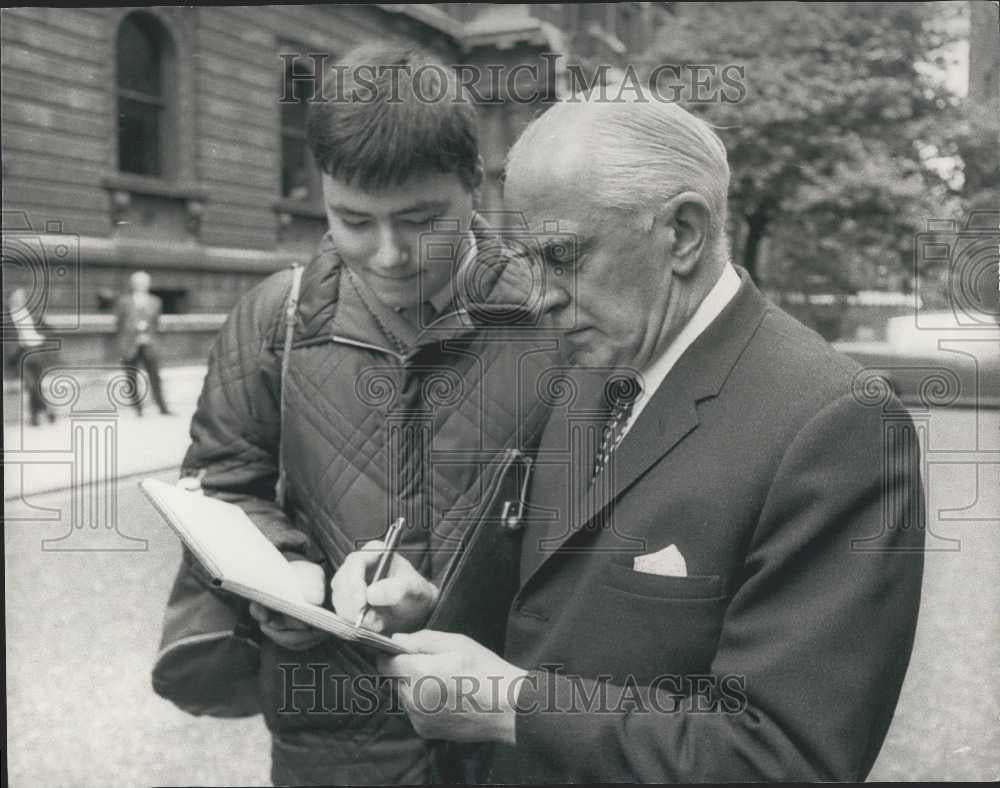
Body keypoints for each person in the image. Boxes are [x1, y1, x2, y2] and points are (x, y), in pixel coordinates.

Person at [338, 93, 927, 781]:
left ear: (683, 232)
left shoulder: (839, 425)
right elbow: (556, 615)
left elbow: (785, 757)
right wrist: (430, 612)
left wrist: (515, 709)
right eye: (528, 258)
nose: (539, 295)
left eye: (562, 255)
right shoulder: (593, 363)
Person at [156, 44, 552, 785]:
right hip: (332, 741)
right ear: (323, 191)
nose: (389, 254)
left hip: (507, 741)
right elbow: (221, 487)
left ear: (475, 183)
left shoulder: (553, 322)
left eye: (421, 220)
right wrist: (287, 572)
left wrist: (457, 608)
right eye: (353, 220)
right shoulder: (274, 318)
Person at [115, 270, 172, 416]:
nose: (141, 285)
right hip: (130, 344)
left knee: (155, 376)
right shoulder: (124, 301)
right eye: (138, 282)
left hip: (149, 344)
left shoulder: (156, 301)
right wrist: (132, 331)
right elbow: (119, 323)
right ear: (133, 284)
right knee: (131, 377)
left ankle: (162, 407)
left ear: (148, 284)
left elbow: (156, 324)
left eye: (144, 282)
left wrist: (149, 335)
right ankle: (138, 409)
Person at [5, 287, 56, 426]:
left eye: (22, 297)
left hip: (37, 350)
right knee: (31, 384)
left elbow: (45, 327)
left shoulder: (30, 312)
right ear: (10, 299)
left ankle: (35, 417)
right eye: (17, 296)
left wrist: (43, 337)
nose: (20, 299)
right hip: (22, 352)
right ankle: (46, 410)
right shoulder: (8, 316)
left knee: (36, 384)